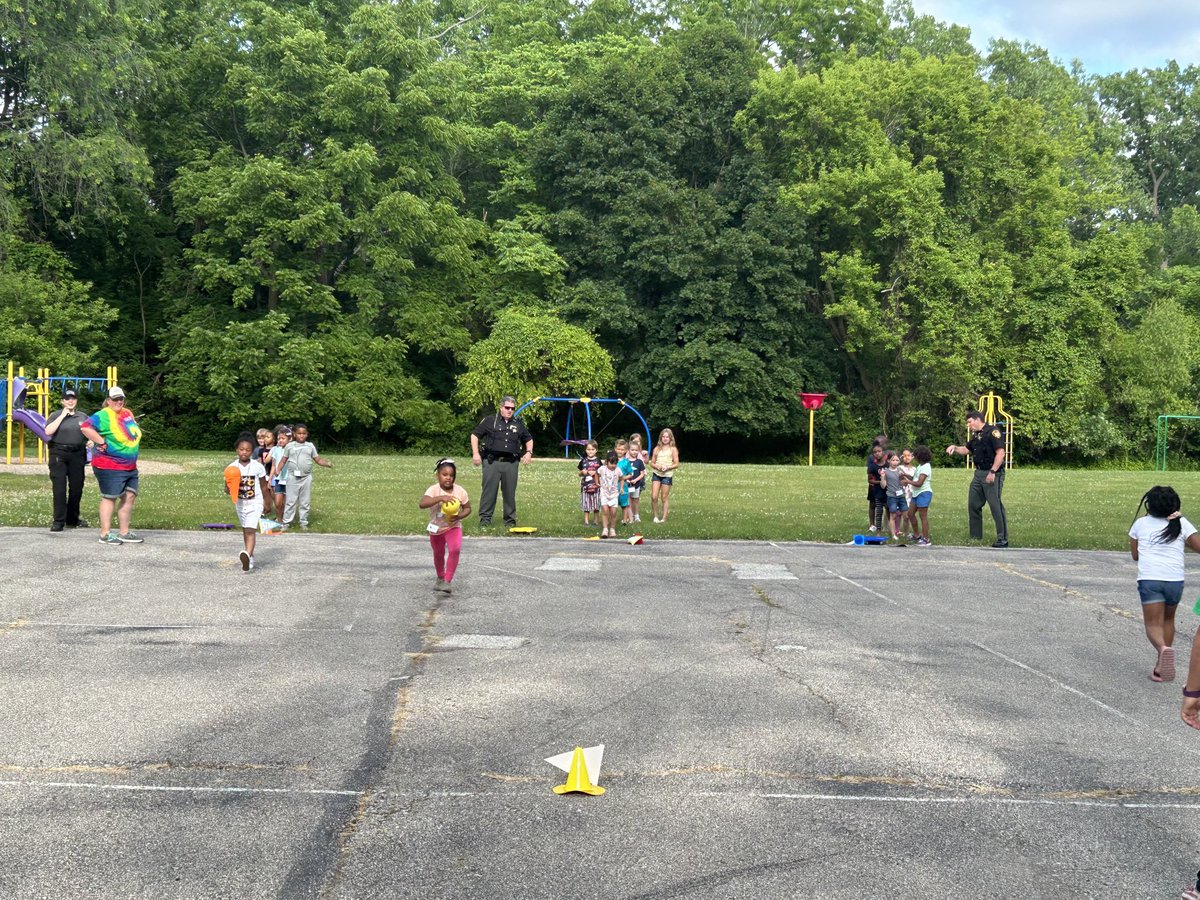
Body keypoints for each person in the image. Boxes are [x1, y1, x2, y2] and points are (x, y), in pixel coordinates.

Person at [1129, 486, 1200, 683]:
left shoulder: (1140, 524)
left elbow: (1135, 556)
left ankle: (1163, 649)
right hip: (1174, 580)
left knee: (1152, 624)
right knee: (1168, 620)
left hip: (1150, 579)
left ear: (1149, 505)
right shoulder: (1181, 523)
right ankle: (1160, 668)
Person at [78, 386, 143, 545]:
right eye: (115, 399)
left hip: (129, 465)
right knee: (110, 497)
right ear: (108, 400)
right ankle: (105, 534)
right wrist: (101, 441)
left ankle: (124, 532)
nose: (118, 402)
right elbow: (85, 427)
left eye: (121, 399)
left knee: (129, 496)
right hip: (110, 465)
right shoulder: (103, 415)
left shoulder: (127, 413)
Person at [946, 411, 1008, 547]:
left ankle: (1002, 538)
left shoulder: (993, 432)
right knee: (973, 504)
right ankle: (975, 537)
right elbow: (966, 450)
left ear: (977, 419)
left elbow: (1000, 453)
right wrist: (954, 448)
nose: (968, 425)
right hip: (978, 473)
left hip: (992, 473)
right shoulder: (976, 436)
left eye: (969, 422)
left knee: (995, 505)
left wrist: (993, 471)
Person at [470, 396, 533, 527]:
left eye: (512, 408)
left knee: (510, 493)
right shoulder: (490, 420)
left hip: (511, 463)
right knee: (489, 492)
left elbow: (528, 439)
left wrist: (528, 452)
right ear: (501, 407)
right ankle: (485, 520)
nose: (510, 410)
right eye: (507, 407)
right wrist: (475, 454)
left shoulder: (518, 423)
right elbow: (475, 435)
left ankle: (510, 521)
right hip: (492, 462)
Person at [418, 457, 471, 594]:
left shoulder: (460, 491)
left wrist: (459, 516)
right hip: (436, 528)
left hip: (453, 526)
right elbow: (422, 504)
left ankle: (447, 581)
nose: (448, 478)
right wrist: (441, 498)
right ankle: (440, 578)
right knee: (438, 553)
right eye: (445, 474)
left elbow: (467, 508)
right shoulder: (433, 490)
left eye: (451, 475)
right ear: (438, 475)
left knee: (455, 549)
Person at [225, 432, 274, 572]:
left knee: (250, 530)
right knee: (245, 529)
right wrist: (228, 487)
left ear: (252, 451)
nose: (244, 452)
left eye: (247, 450)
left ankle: (248, 555)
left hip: (255, 502)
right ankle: (249, 555)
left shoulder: (257, 467)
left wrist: (267, 502)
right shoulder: (231, 468)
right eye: (241, 449)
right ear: (237, 450)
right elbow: (227, 489)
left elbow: (264, 487)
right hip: (240, 503)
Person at [43, 388, 90, 532]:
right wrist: (63, 416)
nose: (70, 401)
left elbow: (91, 432)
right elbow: (48, 431)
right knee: (59, 487)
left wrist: (91, 440)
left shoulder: (83, 416)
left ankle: (72, 518)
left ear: (76, 400)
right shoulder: (55, 415)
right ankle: (58, 521)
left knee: (76, 487)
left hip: (77, 453)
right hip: (59, 453)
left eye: (73, 398)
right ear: (62, 401)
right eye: (67, 399)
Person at [278, 423, 332, 530]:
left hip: (306, 477)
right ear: (294, 434)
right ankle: (287, 522)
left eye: (304, 433)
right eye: (299, 433)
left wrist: (326, 464)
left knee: (305, 501)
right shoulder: (289, 446)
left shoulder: (310, 446)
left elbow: (318, 459)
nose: (301, 435)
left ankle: (303, 522)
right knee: (290, 501)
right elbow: (283, 460)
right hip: (292, 477)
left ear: (307, 434)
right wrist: (278, 470)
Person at [650, 428, 679, 524]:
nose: (665, 438)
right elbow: (652, 463)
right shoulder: (656, 449)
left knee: (664, 497)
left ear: (670, 438)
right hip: (657, 474)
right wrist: (657, 466)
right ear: (661, 438)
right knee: (654, 496)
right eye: (663, 437)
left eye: (667, 437)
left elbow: (676, 464)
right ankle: (655, 516)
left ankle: (664, 518)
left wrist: (667, 467)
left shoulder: (673, 449)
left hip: (667, 475)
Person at [907, 446, 934, 546]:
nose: (914, 458)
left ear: (920, 456)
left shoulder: (926, 467)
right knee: (910, 513)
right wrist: (905, 476)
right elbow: (915, 478)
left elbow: (919, 483)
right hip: (916, 493)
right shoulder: (920, 466)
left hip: (924, 493)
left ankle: (926, 539)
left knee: (923, 516)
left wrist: (907, 482)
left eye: (916, 456)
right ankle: (916, 535)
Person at [598, 450, 626, 538]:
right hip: (604, 493)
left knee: (613, 513)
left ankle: (612, 529)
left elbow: (622, 478)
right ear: (607, 462)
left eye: (615, 463)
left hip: (614, 494)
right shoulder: (602, 469)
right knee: (605, 511)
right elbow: (596, 474)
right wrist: (597, 482)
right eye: (611, 463)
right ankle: (605, 529)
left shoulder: (618, 470)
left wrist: (621, 488)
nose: (613, 465)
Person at [881, 451, 908, 542]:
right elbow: (883, 486)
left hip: (901, 496)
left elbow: (905, 483)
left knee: (906, 516)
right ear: (888, 461)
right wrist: (882, 477)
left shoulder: (900, 470)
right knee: (893, 515)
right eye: (893, 460)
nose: (895, 462)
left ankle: (906, 534)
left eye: (897, 460)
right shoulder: (886, 472)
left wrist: (903, 477)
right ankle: (893, 534)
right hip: (891, 496)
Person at [269, 425, 291, 522]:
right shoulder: (276, 450)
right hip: (278, 479)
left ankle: (286, 520)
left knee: (286, 502)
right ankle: (279, 520)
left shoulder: (291, 450)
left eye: (283, 438)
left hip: (289, 479)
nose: (280, 440)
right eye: (279, 439)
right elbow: (273, 465)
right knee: (278, 503)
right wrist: (270, 479)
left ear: (289, 439)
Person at [577, 439, 601, 527]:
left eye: (592, 449)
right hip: (585, 486)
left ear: (596, 450)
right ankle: (586, 522)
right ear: (585, 450)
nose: (590, 451)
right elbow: (579, 473)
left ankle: (595, 521)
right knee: (586, 504)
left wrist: (596, 473)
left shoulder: (598, 461)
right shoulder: (583, 461)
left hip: (596, 487)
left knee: (596, 505)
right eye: (588, 449)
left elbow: (602, 473)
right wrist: (582, 472)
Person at [866, 443, 887, 533]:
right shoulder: (872, 465)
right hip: (874, 489)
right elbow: (870, 480)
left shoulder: (888, 464)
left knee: (887, 507)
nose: (877, 453)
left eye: (879, 451)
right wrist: (881, 482)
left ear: (883, 452)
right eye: (875, 452)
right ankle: (872, 525)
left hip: (886, 490)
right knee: (872, 505)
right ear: (873, 454)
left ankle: (888, 526)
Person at [625, 437, 647, 523]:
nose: (634, 452)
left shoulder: (639, 462)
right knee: (628, 500)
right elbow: (623, 473)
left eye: (636, 450)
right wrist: (627, 480)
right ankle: (629, 516)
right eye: (632, 450)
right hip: (627, 484)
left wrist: (636, 480)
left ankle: (636, 515)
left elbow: (642, 474)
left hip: (636, 484)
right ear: (628, 450)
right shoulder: (625, 461)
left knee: (636, 499)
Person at [899, 448, 917, 539]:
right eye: (905, 456)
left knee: (911, 515)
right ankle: (906, 533)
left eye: (909, 455)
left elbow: (916, 480)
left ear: (912, 457)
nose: (907, 457)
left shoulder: (915, 469)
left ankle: (914, 533)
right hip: (903, 493)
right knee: (905, 516)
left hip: (912, 494)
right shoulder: (899, 468)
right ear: (902, 457)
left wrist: (906, 477)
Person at [615, 439, 634, 525]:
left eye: (622, 449)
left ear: (626, 450)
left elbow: (631, 474)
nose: (620, 451)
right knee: (612, 504)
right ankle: (612, 520)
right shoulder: (611, 460)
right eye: (618, 449)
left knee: (624, 504)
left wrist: (622, 478)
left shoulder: (626, 462)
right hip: (612, 486)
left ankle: (624, 520)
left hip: (623, 486)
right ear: (615, 449)